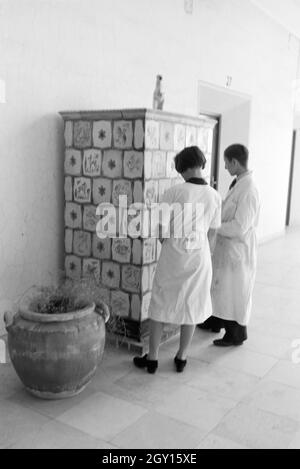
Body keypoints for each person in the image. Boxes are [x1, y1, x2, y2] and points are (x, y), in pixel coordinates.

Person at [133, 146, 222, 374]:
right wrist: (201, 252)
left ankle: (152, 359)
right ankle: (181, 357)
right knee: (191, 304)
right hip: (200, 256)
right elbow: (212, 234)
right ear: (201, 163)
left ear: (183, 167)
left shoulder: (173, 192)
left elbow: (161, 232)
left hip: (174, 254)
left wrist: (174, 247)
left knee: (160, 303)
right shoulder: (215, 196)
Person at [199, 144, 260, 346]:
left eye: (226, 162)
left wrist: (214, 225)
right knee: (221, 288)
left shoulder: (249, 189)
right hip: (227, 248)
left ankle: (236, 334)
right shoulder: (239, 183)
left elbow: (239, 227)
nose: (225, 167)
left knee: (234, 292)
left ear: (235, 162)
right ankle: (215, 321)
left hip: (238, 250)